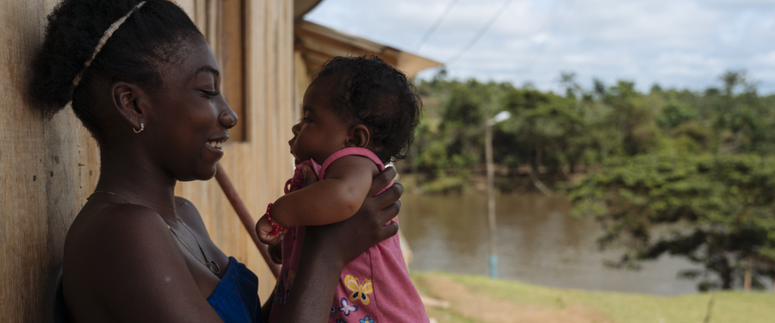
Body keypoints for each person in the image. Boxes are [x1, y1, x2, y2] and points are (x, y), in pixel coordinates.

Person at [29, 1, 402, 322]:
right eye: (207, 91)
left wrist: (307, 247)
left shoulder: (184, 216)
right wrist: (327, 253)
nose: (229, 115)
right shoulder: (123, 233)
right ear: (132, 104)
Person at [256, 56, 428, 322]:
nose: (296, 127)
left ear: (355, 139)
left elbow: (344, 198)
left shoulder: (356, 163)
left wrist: (279, 212)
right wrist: (290, 243)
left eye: (309, 119)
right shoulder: (326, 180)